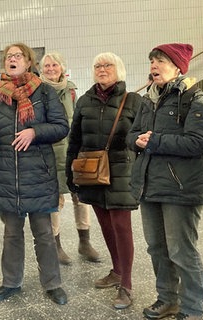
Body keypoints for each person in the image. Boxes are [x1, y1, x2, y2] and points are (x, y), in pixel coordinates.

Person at [0, 43, 69, 305]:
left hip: (38, 173)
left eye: (18, 56)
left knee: (44, 234)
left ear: (28, 62)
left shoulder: (44, 91)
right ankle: (11, 282)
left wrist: (35, 132)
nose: (12, 60)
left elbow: (61, 126)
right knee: (11, 234)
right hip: (7, 174)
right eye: (9, 57)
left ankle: (52, 284)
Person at [128, 43, 203, 320]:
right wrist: (137, 141)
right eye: (152, 60)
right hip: (150, 185)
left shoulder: (195, 98)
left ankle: (192, 308)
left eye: (161, 60)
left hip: (181, 187)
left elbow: (199, 142)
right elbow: (132, 135)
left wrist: (154, 141)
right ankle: (167, 299)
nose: (154, 65)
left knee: (181, 250)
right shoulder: (148, 99)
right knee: (157, 249)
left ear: (178, 67)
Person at [65, 52, 142, 309]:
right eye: (97, 65)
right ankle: (117, 271)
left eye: (107, 65)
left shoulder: (133, 101)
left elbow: (141, 138)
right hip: (92, 172)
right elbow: (74, 139)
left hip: (122, 172)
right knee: (107, 226)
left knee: (121, 226)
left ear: (118, 69)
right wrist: (70, 173)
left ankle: (127, 285)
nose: (102, 69)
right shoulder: (85, 101)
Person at [40, 52, 100, 265]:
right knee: (55, 200)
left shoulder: (71, 91)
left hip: (73, 150)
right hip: (50, 152)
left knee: (81, 197)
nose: (50, 69)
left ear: (62, 68)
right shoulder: (39, 91)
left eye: (54, 65)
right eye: (46, 66)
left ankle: (84, 242)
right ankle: (56, 246)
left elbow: (78, 118)